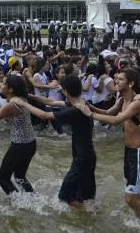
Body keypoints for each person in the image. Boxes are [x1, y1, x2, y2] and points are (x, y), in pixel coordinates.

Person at [81, 68, 140, 216]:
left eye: (120, 79)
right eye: (116, 78)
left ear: (131, 83)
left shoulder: (137, 103)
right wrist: (88, 106)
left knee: (129, 198)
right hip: (129, 151)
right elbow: (108, 113)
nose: (116, 81)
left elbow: (115, 120)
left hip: (139, 152)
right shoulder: (121, 100)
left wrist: (91, 114)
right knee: (133, 193)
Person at [18, 75, 96, 209]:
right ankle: (91, 219)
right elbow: (51, 102)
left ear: (65, 91)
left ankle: (90, 219)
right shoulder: (82, 103)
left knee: (64, 196)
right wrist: (28, 96)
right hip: (86, 156)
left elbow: (45, 115)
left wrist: (23, 104)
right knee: (83, 197)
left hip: (82, 159)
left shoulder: (74, 111)